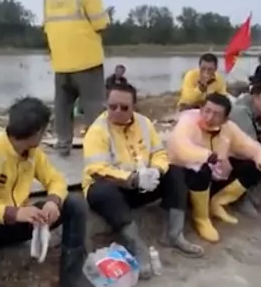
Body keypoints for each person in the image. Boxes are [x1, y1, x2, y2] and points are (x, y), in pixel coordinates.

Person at [0, 97, 104, 287]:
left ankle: (72, 278)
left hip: (22, 221)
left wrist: (53, 202)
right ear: (37, 132)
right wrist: (13, 213)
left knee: (73, 202)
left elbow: (55, 180)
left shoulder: (33, 153)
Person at [83, 82, 205, 276]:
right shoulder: (97, 131)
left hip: (144, 183)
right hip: (115, 187)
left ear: (134, 107)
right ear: (106, 104)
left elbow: (159, 153)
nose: (117, 111)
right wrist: (132, 179)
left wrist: (157, 170)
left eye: (124, 107)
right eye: (112, 106)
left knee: (175, 172)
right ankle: (137, 247)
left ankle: (174, 234)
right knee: (103, 190)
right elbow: (97, 170)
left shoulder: (144, 123)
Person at [167, 93, 261, 243]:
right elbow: (181, 147)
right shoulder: (188, 122)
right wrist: (208, 156)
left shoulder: (228, 128)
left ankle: (218, 202)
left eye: (216, 115)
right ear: (201, 109)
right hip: (187, 178)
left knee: (254, 166)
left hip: (216, 174)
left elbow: (253, 148)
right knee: (201, 170)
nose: (209, 117)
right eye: (207, 111)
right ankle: (202, 218)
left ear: (225, 119)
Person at [43, 0, 111, 156]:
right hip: (87, 61)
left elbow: (46, 27)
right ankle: (97, 149)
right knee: (94, 109)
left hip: (60, 63)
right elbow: (101, 24)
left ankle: (63, 145)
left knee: (62, 108)